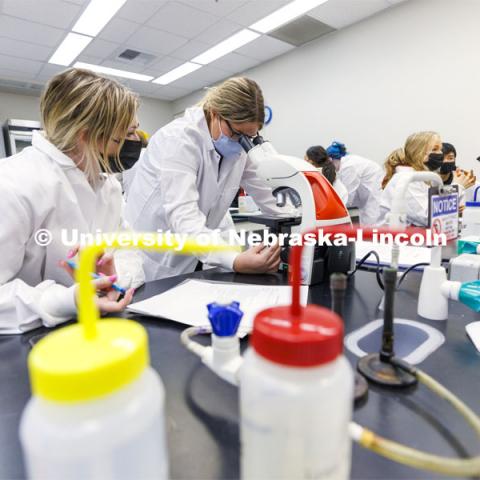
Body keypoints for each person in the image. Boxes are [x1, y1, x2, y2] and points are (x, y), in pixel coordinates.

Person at [0, 68, 144, 334]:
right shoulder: (12, 184)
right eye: (125, 134)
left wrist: (112, 281)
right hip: (27, 342)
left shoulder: (107, 184)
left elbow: (127, 250)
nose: (136, 142)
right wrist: (67, 300)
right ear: (86, 135)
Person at [125, 76, 283, 280]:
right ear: (216, 114)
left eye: (250, 137)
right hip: (154, 261)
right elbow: (183, 215)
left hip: (193, 257)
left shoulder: (238, 147)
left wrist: (303, 222)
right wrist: (235, 260)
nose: (242, 143)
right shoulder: (179, 140)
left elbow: (268, 194)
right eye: (237, 134)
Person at [378, 132, 474, 226]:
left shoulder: (427, 179)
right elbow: (429, 217)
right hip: (392, 238)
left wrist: (454, 207)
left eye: (440, 149)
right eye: (435, 149)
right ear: (418, 153)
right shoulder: (406, 179)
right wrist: (458, 187)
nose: (440, 153)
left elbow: (440, 213)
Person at [326, 141, 383, 225]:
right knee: (369, 227)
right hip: (369, 199)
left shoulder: (348, 166)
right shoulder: (347, 163)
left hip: (374, 200)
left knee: (372, 227)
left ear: (330, 160)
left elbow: (347, 198)